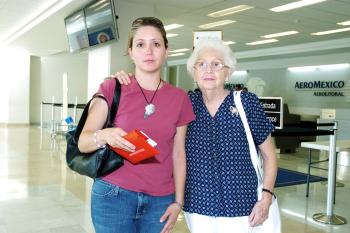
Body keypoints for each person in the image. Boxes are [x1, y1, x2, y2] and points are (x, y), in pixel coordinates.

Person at [113, 39, 278, 233]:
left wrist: (266, 198)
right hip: (198, 205)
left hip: (244, 206)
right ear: (194, 71)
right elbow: (147, 107)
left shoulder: (246, 103)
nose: (208, 70)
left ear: (228, 72)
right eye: (201, 64)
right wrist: (124, 82)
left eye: (216, 64)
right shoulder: (185, 102)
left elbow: (269, 156)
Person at [78, 17, 195, 233]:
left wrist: (178, 202)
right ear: (131, 52)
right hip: (113, 196)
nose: (148, 51)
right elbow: (83, 142)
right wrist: (104, 135)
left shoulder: (179, 98)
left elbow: (179, 153)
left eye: (156, 44)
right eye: (140, 44)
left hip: (160, 201)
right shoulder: (112, 87)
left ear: (166, 50)